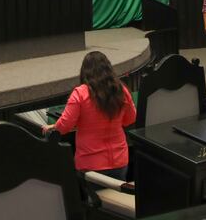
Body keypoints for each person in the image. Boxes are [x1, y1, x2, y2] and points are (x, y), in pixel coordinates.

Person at [42, 51, 136, 179]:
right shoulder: (121, 89)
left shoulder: (80, 93)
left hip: (91, 166)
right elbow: (130, 119)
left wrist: (54, 126)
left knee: (94, 199)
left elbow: (64, 126)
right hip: (120, 161)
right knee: (117, 199)